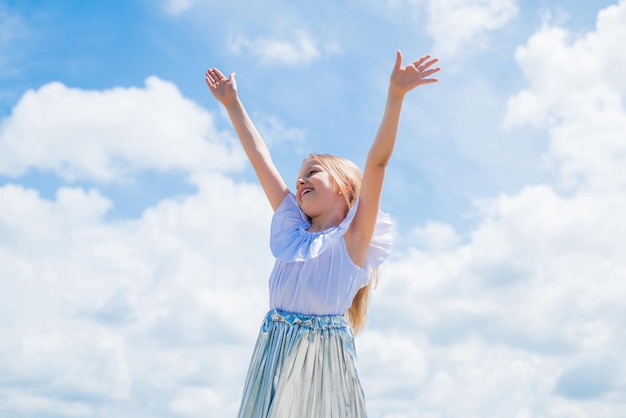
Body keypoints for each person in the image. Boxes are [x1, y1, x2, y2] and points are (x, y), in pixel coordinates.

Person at [205, 50, 439, 418]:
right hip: (274, 354)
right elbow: (260, 158)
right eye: (299, 176)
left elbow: (378, 161)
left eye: (312, 172)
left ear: (345, 186)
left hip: (323, 361)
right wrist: (233, 105)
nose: (300, 181)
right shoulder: (292, 231)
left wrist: (395, 96)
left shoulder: (354, 240)